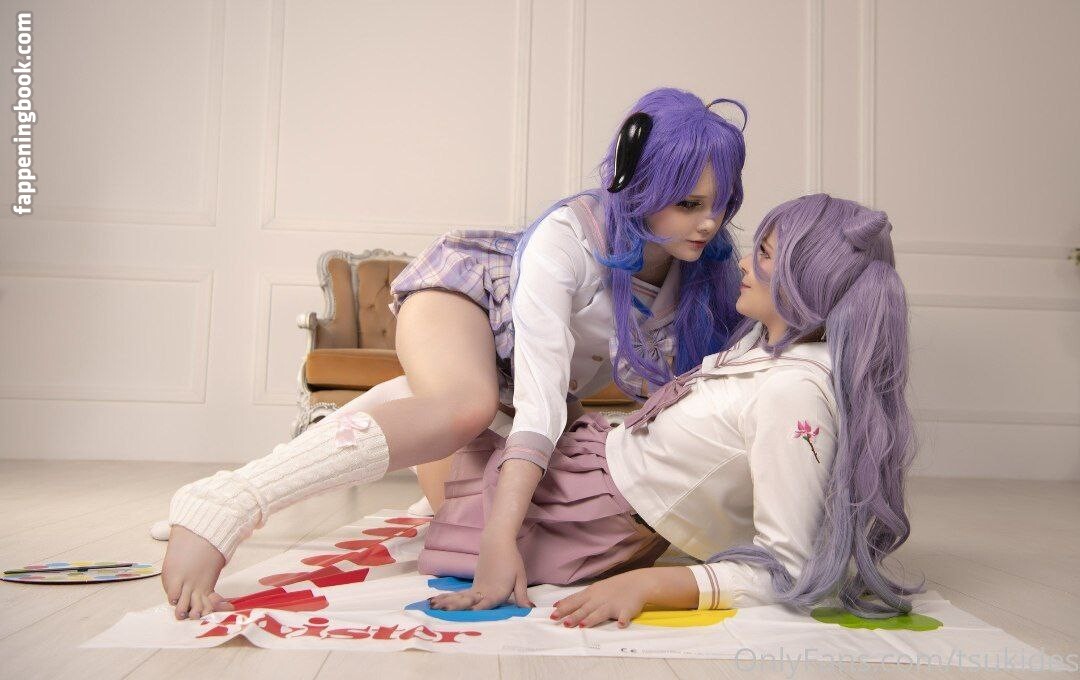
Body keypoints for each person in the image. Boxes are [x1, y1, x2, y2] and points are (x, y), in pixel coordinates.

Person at [161, 87, 749, 620]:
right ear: (640, 187)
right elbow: (542, 402)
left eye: (720, 204)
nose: (709, 223)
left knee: (491, 486)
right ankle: (223, 503)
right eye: (688, 204)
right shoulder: (567, 239)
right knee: (466, 405)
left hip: (519, 383)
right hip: (468, 299)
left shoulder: (707, 275)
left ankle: (410, 409)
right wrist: (498, 539)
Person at [425, 193, 926, 626]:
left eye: (765, 254)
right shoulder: (763, 345)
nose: (744, 264)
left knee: (448, 451)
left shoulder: (794, 392)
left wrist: (650, 585)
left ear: (807, 280)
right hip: (589, 460)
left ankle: (412, 402)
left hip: (582, 516)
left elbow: (788, 570)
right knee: (467, 423)